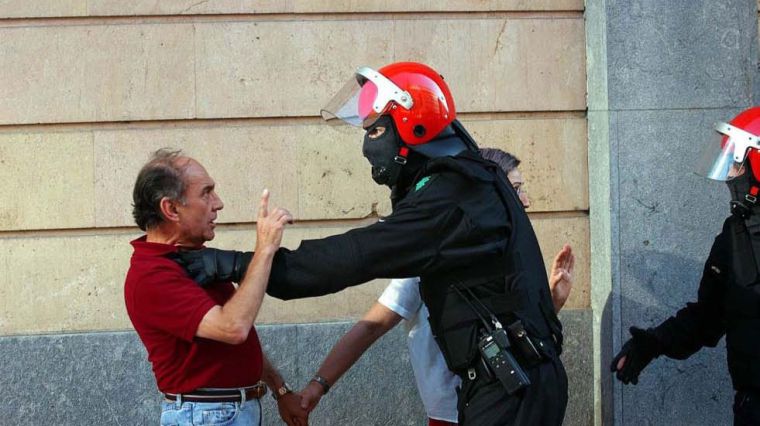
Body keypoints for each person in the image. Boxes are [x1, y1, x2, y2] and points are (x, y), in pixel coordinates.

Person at [175, 62, 568, 425]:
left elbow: (353, 257)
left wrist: (236, 263)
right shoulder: (466, 183)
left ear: (414, 126)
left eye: (376, 130)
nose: (368, 146)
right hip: (509, 384)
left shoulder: (453, 195)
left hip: (509, 391)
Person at [295, 147, 575, 426]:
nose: (525, 201)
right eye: (515, 189)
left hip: (510, 405)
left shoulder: (510, 255)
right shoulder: (434, 258)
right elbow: (372, 325)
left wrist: (552, 303)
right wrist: (318, 385)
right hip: (452, 414)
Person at [124, 149, 307, 426]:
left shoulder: (190, 257)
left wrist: (280, 390)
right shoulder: (152, 276)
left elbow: (234, 343)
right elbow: (233, 328)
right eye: (206, 193)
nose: (218, 203)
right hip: (206, 416)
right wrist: (265, 249)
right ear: (171, 209)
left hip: (221, 412)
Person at [610, 107, 760, 425]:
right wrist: (652, 342)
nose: (730, 178)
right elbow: (708, 316)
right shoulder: (733, 237)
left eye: (736, 164)